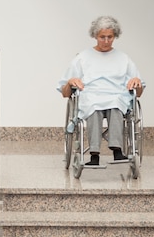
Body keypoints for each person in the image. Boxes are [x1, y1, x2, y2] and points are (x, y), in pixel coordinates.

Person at [58, 15, 144, 166]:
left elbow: (139, 92)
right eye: (102, 37)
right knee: (93, 106)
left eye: (110, 37)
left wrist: (137, 83)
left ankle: (117, 151)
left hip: (116, 96)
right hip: (91, 96)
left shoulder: (123, 58)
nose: (106, 41)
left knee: (117, 105)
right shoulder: (83, 57)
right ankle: (94, 155)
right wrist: (70, 81)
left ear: (115, 36)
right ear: (95, 36)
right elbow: (65, 93)